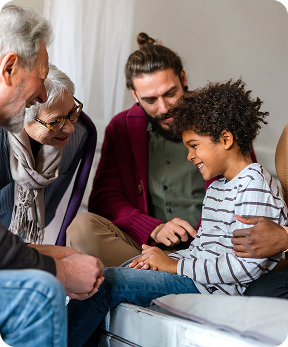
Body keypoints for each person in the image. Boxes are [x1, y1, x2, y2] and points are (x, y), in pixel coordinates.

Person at [67, 79, 287, 347]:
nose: (189, 156)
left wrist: (174, 265)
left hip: (212, 290)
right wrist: (153, 260)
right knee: (104, 275)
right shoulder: (220, 186)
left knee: (106, 283)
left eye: (194, 146)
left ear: (226, 139)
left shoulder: (254, 185)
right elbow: (203, 249)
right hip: (197, 279)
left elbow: (245, 268)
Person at [66, 32, 257, 267]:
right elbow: (104, 199)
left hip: (211, 249)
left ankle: (167, 276)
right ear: (135, 95)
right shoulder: (122, 127)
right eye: (150, 100)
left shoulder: (219, 118)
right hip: (145, 249)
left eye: (170, 94)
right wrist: (153, 228)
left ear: (183, 78)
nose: (164, 108)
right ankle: (167, 276)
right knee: (81, 228)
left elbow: (248, 186)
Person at [0, 4, 104, 347]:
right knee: (42, 292)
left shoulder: (71, 145)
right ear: (9, 69)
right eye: (41, 80)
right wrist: (56, 270)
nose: (42, 95)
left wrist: (49, 255)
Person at [0, 62, 87, 244]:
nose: (70, 128)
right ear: (20, 116)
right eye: (55, 121)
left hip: (32, 239)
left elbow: (51, 204)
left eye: (72, 113)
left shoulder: (80, 135)